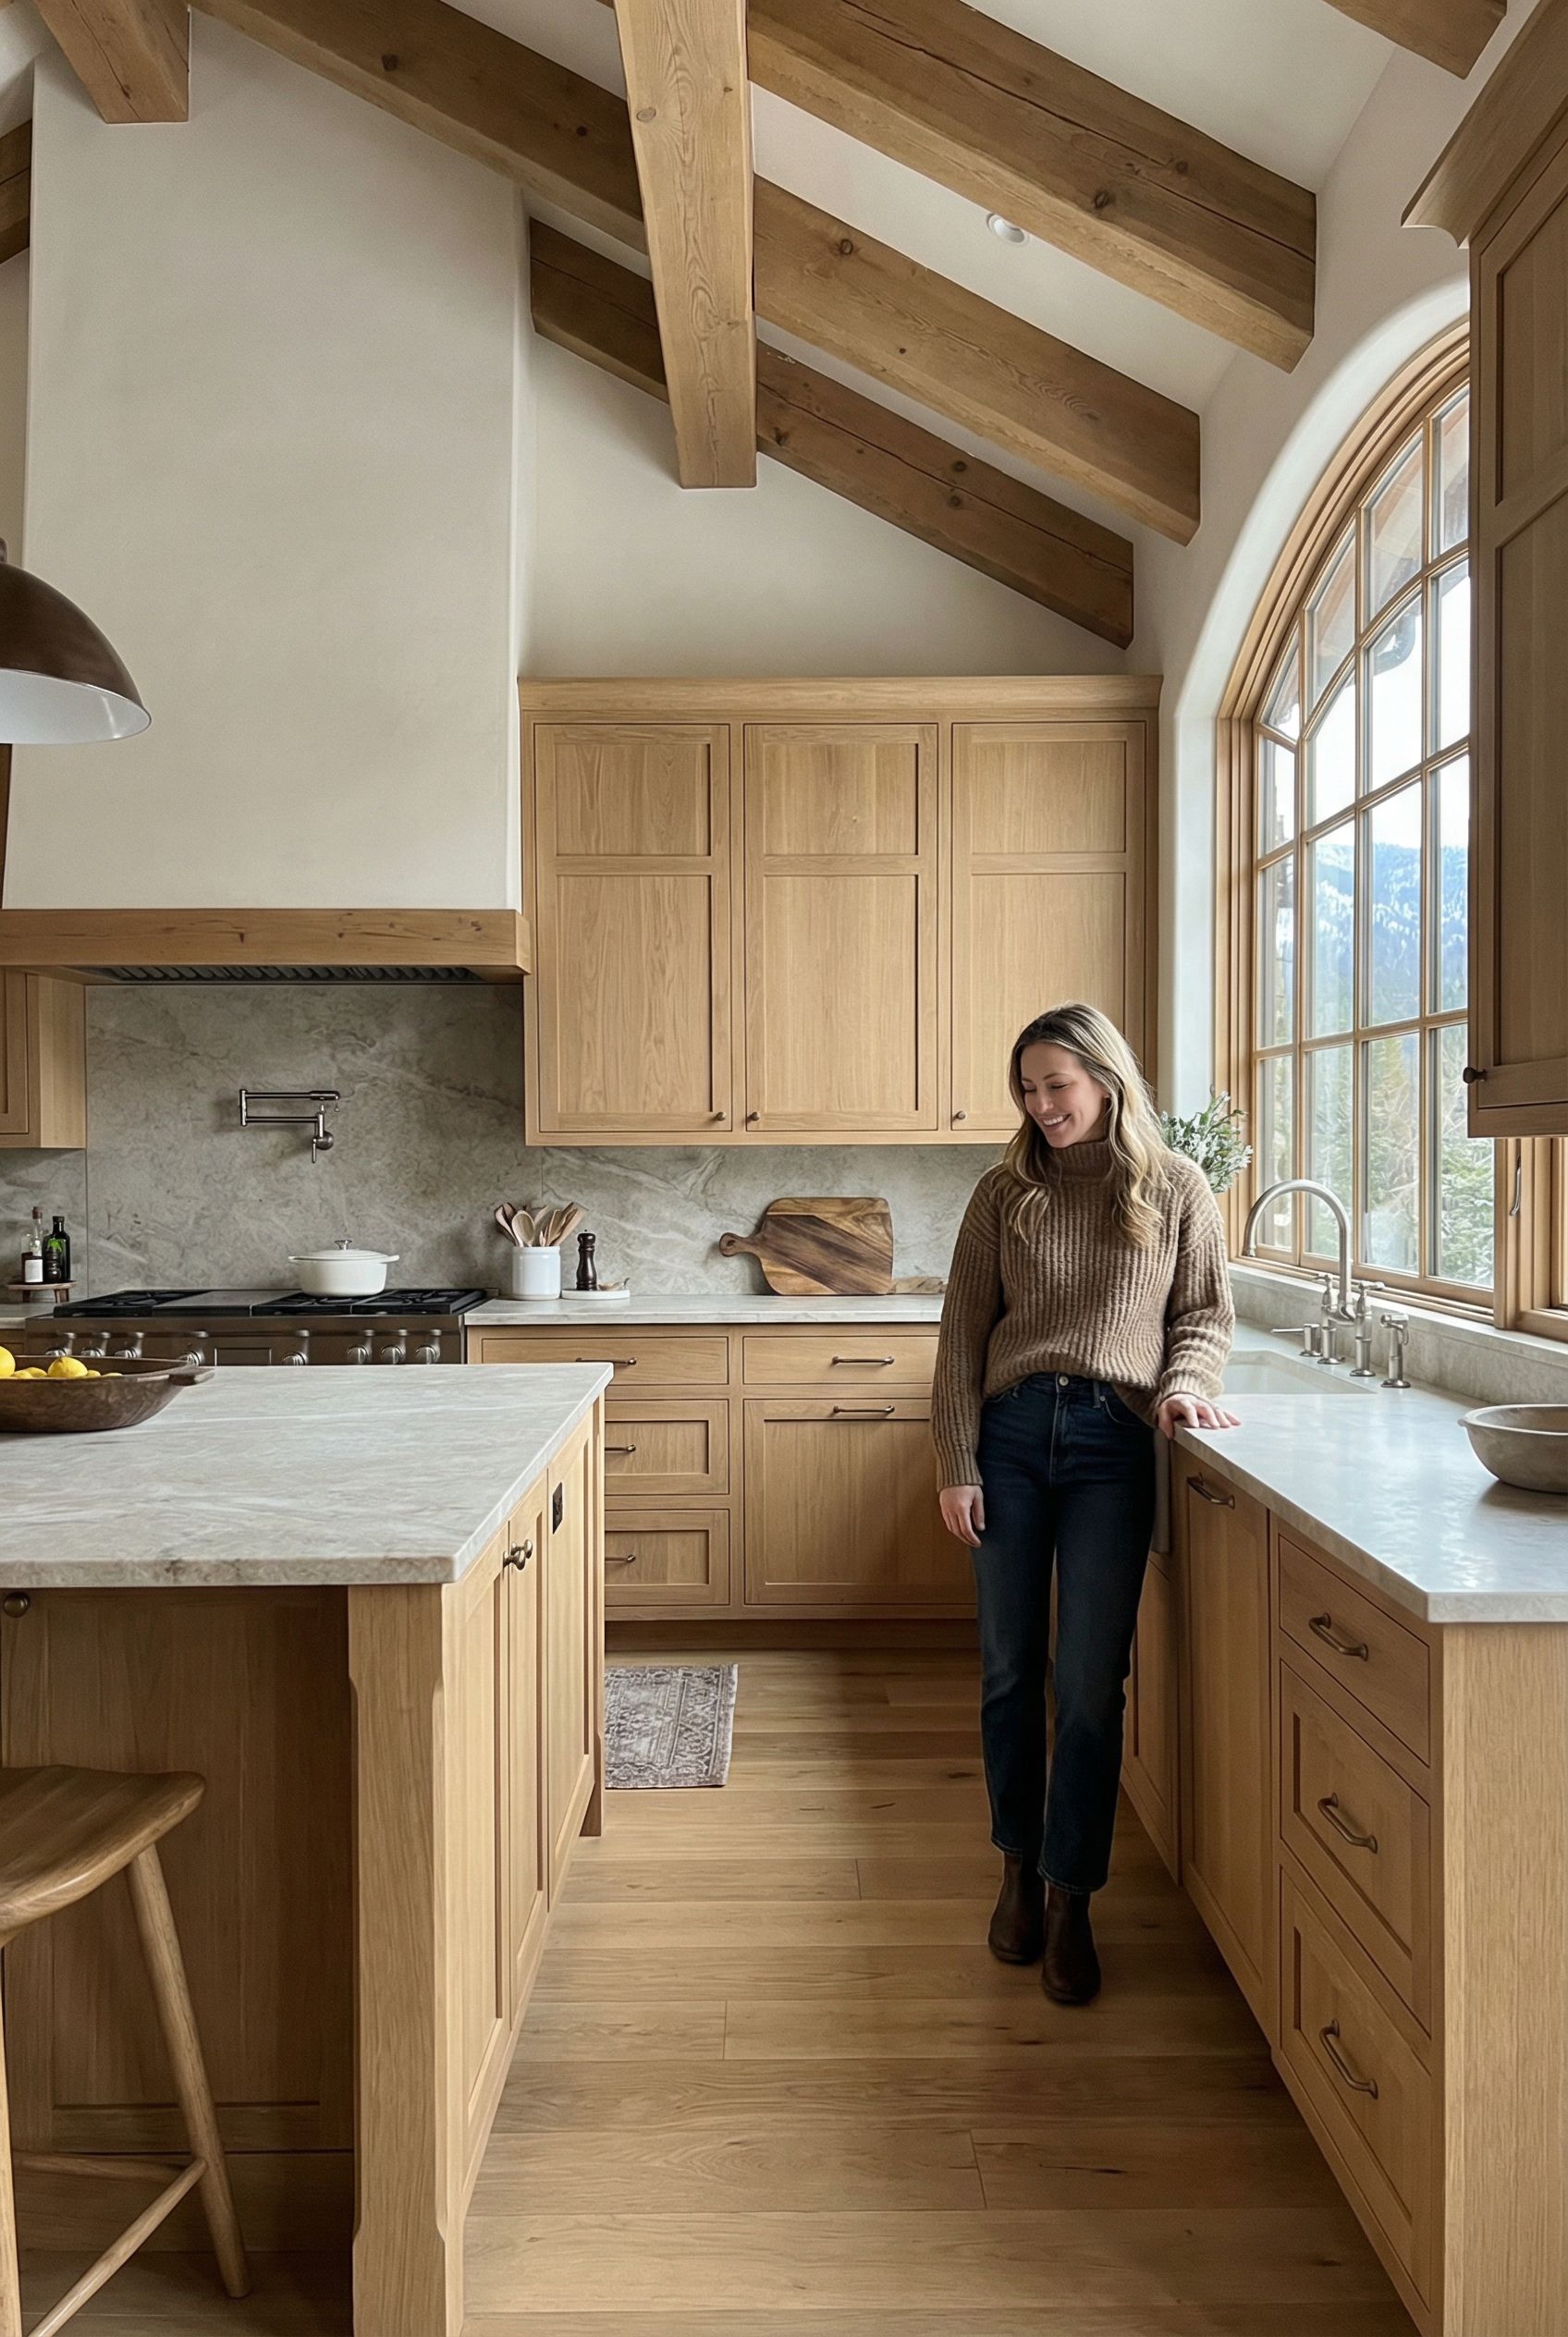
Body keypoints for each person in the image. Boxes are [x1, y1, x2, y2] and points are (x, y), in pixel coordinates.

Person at [932, 1003, 1236, 2005]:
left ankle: (1072, 1896)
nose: (1039, 1104)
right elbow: (960, 1340)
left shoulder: (1174, 1187)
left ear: (1106, 1078)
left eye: (1055, 1084)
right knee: (1010, 1668)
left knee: (1091, 1681)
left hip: (1114, 1441)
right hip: (1013, 1434)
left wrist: (1186, 1380)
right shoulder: (1002, 1193)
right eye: (1027, 1087)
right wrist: (957, 1460)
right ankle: (1015, 1868)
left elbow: (1198, 1312)